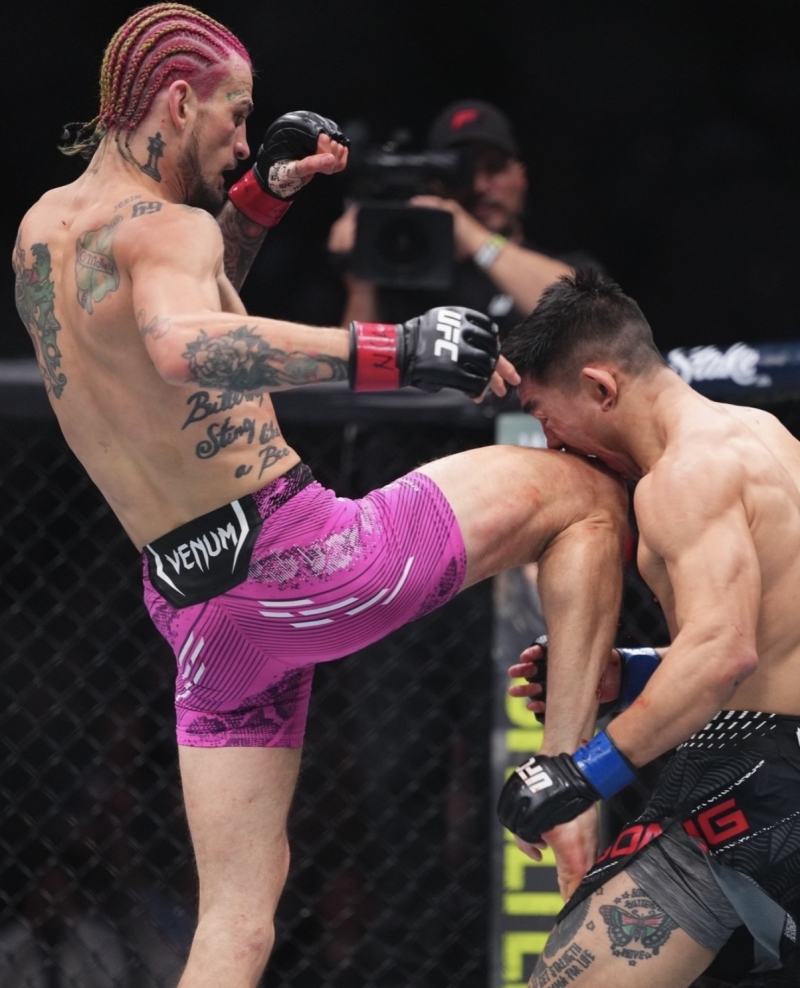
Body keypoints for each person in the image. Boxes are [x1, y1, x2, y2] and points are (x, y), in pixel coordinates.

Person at [12, 6, 630, 987]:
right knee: (587, 497)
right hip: (298, 561)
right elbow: (183, 344)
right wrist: (396, 349)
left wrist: (260, 200)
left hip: (195, 607)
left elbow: (175, 307)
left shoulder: (43, 232)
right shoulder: (168, 229)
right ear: (179, 101)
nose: (242, 141)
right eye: (235, 116)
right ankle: (563, 784)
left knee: (237, 923)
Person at [496, 268, 800, 988]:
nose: (551, 444)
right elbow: (768, 644)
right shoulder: (768, 438)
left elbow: (723, 651)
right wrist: (631, 671)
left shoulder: (684, 476)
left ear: (600, 387)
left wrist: (581, 773)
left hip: (754, 777)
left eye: (545, 416)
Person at [327, 98, 593, 336]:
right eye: (460, 174)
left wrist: (473, 236)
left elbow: (585, 312)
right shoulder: (407, 283)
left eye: (493, 167)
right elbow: (356, 369)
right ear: (437, 187)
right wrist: (363, 275)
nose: (479, 186)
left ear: (521, 176)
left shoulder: (564, 267)